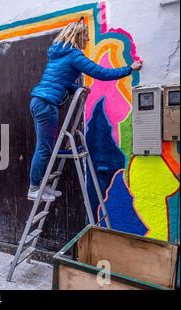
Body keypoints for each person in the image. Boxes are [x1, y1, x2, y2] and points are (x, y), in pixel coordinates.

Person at [28, 18, 143, 202]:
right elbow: (101, 73)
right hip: (47, 104)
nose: (88, 40)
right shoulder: (74, 55)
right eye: (86, 37)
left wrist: (75, 89)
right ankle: (34, 188)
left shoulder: (59, 53)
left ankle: (41, 187)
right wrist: (129, 69)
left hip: (40, 101)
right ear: (79, 35)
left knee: (46, 147)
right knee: (43, 148)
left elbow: (59, 81)